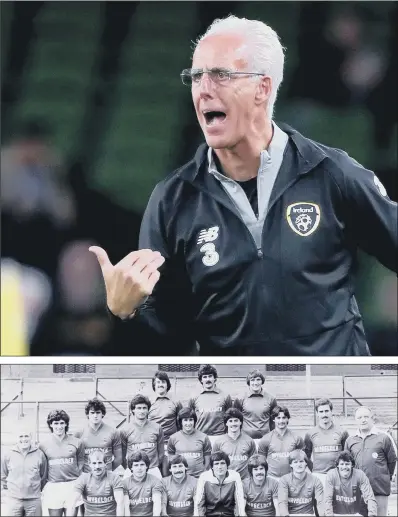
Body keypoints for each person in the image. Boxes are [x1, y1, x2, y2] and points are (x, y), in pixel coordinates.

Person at [89, 14, 397, 357]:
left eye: (221, 75)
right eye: (196, 77)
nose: (204, 90)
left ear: (262, 89)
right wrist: (125, 311)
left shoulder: (330, 174)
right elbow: (166, 336)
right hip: (236, 405)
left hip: (331, 402)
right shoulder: (173, 199)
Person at [344, 406, 397, 516]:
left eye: (366, 416)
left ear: (372, 418)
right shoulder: (350, 440)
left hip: (379, 489)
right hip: (358, 490)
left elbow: (392, 461)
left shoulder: (384, 437)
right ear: (355, 420)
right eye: (359, 417)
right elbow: (346, 464)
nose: (363, 420)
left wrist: (385, 477)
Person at [39, 409, 85, 517]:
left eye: (61, 423)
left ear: (66, 424)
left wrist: (77, 474)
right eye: (55, 423)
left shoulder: (77, 442)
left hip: (72, 485)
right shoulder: (43, 445)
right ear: (51, 424)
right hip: (53, 486)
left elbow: (81, 460)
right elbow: (43, 467)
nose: (59, 426)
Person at [0, 425, 47, 516]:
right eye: (21, 436)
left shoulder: (39, 454)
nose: (24, 439)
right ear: (16, 438)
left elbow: (44, 476)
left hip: (34, 500)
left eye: (26, 436)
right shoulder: (8, 454)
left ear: (31, 437)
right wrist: (10, 490)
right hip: (14, 500)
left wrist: (34, 490)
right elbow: (3, 475)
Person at [304, 399, 349, 488]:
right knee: (320, 501)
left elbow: (347, 455)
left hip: (337, 475)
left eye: (326, 411)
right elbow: (306, 457)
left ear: (331, 412)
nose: (324, 414)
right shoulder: (310, 433)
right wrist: (314, 471)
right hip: (318, 475)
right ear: (317, 413)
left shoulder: (342, 431)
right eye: (321, 412)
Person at [67, 450, 124, 516]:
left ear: (105, 463)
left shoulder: (114, 478)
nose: (97, 466)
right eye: (94, 463)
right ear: (89, 464)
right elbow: (72, 502)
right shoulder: (83, 479)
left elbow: (120, 503)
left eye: (100, 463)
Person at [120, 394, 164, 479]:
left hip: (152, 469)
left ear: (148, 410)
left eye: (144, 408)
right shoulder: (125, 429)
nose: (142, 411)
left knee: (159, 491)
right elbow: (122, 455)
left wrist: (154, 466)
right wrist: (130, 468)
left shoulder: (157, 427)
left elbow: (161, 453)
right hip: (133, 469)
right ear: (133, 410)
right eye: (139, 408)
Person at [75, 397, 123, 473]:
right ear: (88, 414)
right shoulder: (79, 433)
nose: (95, 416)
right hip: (87, 476)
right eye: (92, 413)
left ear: (102, 413)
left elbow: (119, 458)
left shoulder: (113, 432)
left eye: (98, 412)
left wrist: (108, 470)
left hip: (106, 476)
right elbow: (76, 458)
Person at [188, 364, 233, 446]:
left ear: (214, 378)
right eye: (204, 377)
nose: (207, 379)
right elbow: (190, 418)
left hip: (220, 437)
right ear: (201, 380)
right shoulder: (194, 397)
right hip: (200, 437)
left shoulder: (225, 396)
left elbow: (230, 417)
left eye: (210, 376)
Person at [258, 405, 305, 480]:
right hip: (272, 478)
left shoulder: (296, 438)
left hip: (291, 478)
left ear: (287, 419)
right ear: (274, 419)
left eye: (284, 418)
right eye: (278, 418)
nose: (281, 421)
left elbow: (303, 459)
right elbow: (261, 462)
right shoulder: (266, 439)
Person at [324, 451, 377, 516]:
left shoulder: (360, 475)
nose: (344, 467)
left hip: (355, 514)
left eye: (347, 464)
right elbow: (327, 499)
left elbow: (370, 497)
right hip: (336, 514)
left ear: (352, 465)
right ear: (337, 465)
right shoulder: (331, 475)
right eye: (342, 464)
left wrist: (372, 514)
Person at [194, 451, 246, 516]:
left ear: (227, 465)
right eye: (216, 464)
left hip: (229, 514)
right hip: (210, 514)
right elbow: (199, 502)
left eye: (222, 463)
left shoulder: (235, 476)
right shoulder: (204, 477)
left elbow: (239, 501)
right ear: (212, 466)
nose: (219, 467)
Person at [234, 369, 278, 445]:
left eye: (258, 380)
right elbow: (235, 419)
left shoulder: (271, 398)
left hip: (265, 440)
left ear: (262, 381)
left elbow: (274, 421)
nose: (256, 383)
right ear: (249, 382)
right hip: (245, 440)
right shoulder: (240, 398)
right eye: (252, 380)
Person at [212, 407, 256, 480]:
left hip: (244, 481)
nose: (233, 423)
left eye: (236, 420)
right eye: (230, 421)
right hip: (226, 481)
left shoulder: (249, 441)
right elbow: (214, 464)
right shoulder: (219, 442)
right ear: (226, 423)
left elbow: (254, 463)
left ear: (240, 422)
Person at [167, 407, 212, 478]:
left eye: (191, 420)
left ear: (194, 421)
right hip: (181, 477)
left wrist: (204, 472)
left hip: (199, 477)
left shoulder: (203, 437)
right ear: (181, 421)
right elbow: (171, 459)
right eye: (185, 420)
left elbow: (207, 458)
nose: (188, 423)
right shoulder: (173, 438)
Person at [278, 449, 324, 516]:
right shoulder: (284, 480)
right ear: (291, 464)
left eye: (301, 461)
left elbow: (321, 503)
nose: (299, 465)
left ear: (306, 463)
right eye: (295, 462)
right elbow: (282, 503)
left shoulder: (315, 480)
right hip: (290, 515)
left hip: (308, 514)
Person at [122, 451, 163, 516]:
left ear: (146, 466)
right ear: (131, 467)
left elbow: (157, 503)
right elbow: (126, 506)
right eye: (136, 465)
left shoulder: (155, 481)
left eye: (142, 464)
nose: (139, 468)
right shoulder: (125, 483)